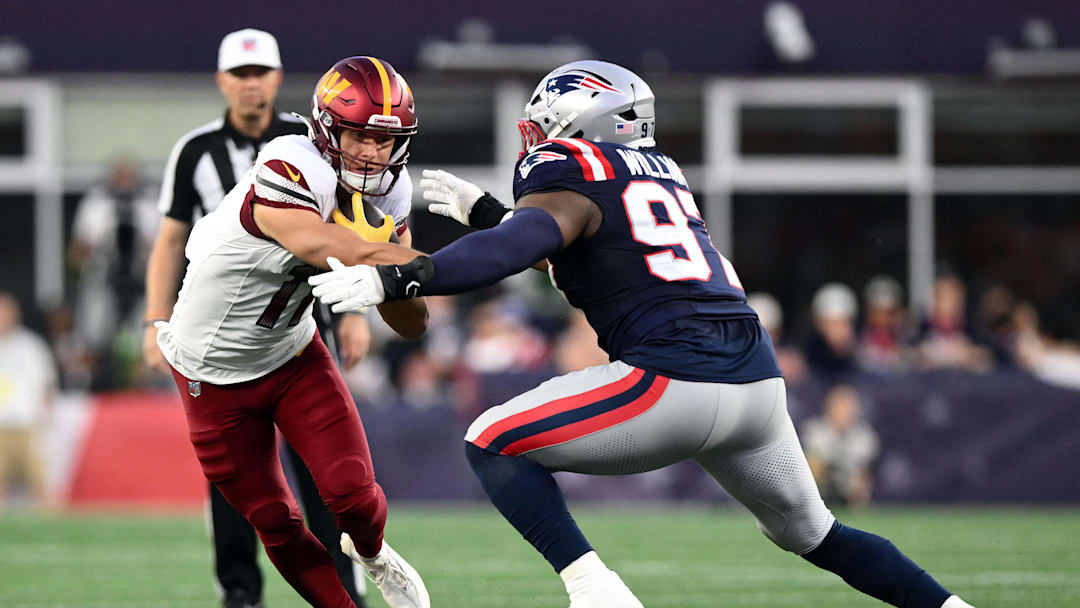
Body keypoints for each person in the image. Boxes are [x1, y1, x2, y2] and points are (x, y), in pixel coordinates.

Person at [310, 60, 976, 608]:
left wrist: (398, 280)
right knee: (817, 534)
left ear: (573, 125)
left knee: (491, 441)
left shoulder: (566, 168)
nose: (533, 140)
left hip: (675, 382)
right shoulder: (663, 174)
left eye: (542, 127)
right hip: (757, 385)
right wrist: (488, 213)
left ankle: (595, 589)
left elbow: (530, 242)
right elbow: (584, 245)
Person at [152, 49, 431, 608]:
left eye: (385, 140)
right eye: (358, 136)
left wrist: (406, 279)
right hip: (210, 371)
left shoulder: (391, 191)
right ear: (328, 129)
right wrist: (418, 262)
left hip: (292, 352)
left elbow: (412, 322)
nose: (373, 153)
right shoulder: (290, 160)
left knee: (351, 493)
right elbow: (316, 242)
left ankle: (375, 555)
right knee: (276, 519)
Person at [69, 158, 159, 389]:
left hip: (141, 279)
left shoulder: (150, 202)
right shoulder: (97, 203)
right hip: (103, 277)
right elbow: (78, 248)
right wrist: (101, 246)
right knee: (93, 334)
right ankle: (88, 386)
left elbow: (164, 247)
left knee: (145, 336)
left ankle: (142, 390)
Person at [0, 293, 57, 508]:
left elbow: (46, 385)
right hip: (0, 427)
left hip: (27, 426)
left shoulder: (31, 346)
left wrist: (44, 421)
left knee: (40, 483)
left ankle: (54, 529)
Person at [801, 384, 880, 507]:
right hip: (821, 487)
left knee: (860, 484)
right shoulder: (814, 431)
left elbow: (864, 472)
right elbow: (814, 467)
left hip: (848, 486)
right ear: (829, 407)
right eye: (840, 405)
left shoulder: (865, 436)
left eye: (848, 406)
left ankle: (857, 513)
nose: (844, 411)